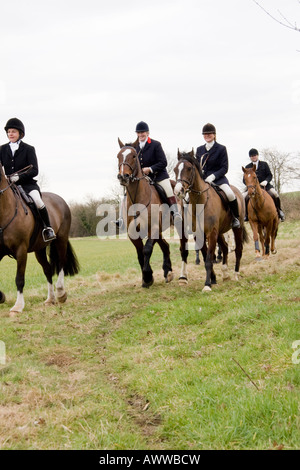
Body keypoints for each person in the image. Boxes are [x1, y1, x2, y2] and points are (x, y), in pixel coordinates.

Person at [115, 121, 182, 229]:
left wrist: (150, 169)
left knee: (168, 189)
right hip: (141, 178)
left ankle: (175, 213)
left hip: (158, 176)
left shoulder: (155, 144)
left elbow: (163, 162)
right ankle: (121, 218)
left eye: (143, 132)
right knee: (126, 193)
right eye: (139, 132)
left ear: (147, 133)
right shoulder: (134, 148)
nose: (141, 134)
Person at [0, 118, 56, 241]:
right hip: (10, 187)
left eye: (13, 131)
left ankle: (47, 228)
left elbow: (34, 170)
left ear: (20, 134)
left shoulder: (29, 149)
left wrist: (19, 177)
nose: (10, 134)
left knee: (38, 201)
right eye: (9, 131)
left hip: (28, 185)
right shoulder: (2, 149)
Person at [196, 123, 240, 228]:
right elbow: (197, 166)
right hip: (203, 180)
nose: (207, 135)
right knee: (188, 196)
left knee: (230, 194)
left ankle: (235, 218)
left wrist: (213, 176)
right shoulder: (199, 150)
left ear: (214, 135)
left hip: (218, 179)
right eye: (205, 134)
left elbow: (224, 168)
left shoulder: (221, 149)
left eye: (209, 134)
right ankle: (190, 220)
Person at [243, 148, 285, 221]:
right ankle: (246, 215)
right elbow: (244, 179)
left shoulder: (264, 164)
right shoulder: (247, 166)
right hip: (252, 187)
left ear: (257, 155)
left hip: (265, 185)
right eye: (252, 156)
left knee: (275, 194)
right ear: (250, 157)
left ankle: (279, 211)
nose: (254, 157)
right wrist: (248, 185)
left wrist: (266, 181)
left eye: (255, 155)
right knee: (243, 197)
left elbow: (269, 175)